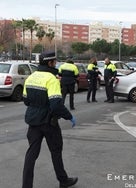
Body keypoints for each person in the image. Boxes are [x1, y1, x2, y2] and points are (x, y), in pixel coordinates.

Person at [22, 51, 78, 188]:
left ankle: (26, 186)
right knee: (56, 151)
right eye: (55, 61)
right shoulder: (51, 79)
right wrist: (69, 116)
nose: (56, 63)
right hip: (49, 122)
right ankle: (63, 181)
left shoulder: (31, 77)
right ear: (50, 63)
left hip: (33, 121)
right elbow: (56, 105)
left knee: (31, 154)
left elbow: (26, 100)